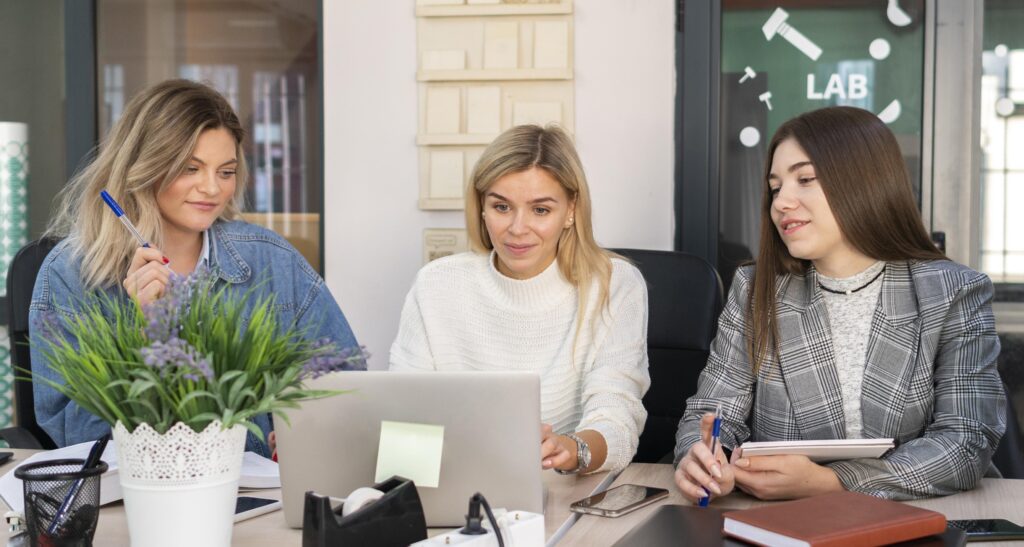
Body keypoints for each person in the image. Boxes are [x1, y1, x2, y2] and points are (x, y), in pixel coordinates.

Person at [675, 106, 1005, 502]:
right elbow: (711, 415)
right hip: (782, 528)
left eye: (805, 179)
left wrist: (833, 483)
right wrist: (705, 459)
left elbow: (966, 440)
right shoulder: (755, 289)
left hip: (917, 519)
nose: (781, 202)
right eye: (776, 187)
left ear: (864, 182)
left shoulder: (953, 291)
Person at [29, 79, 360, 455]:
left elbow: (345, 381)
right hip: (137, 500)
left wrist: (299, 429)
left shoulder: (272, 260)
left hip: (264, 496)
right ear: (144, 167)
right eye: (191, 168)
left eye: (225, 172)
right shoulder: (71, 273)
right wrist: (145, 333)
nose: (213, 189)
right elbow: (76, 438)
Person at [389, 125, 650, 474]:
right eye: (501, 206)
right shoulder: (435, 284)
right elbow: (402, 414)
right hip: (456, 485)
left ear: (571, 210)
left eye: (540, 210)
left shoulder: (614, 285)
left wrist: (573, 449)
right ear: (482, 206)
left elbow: (618, 416)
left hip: (565, 491)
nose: (517, 228)